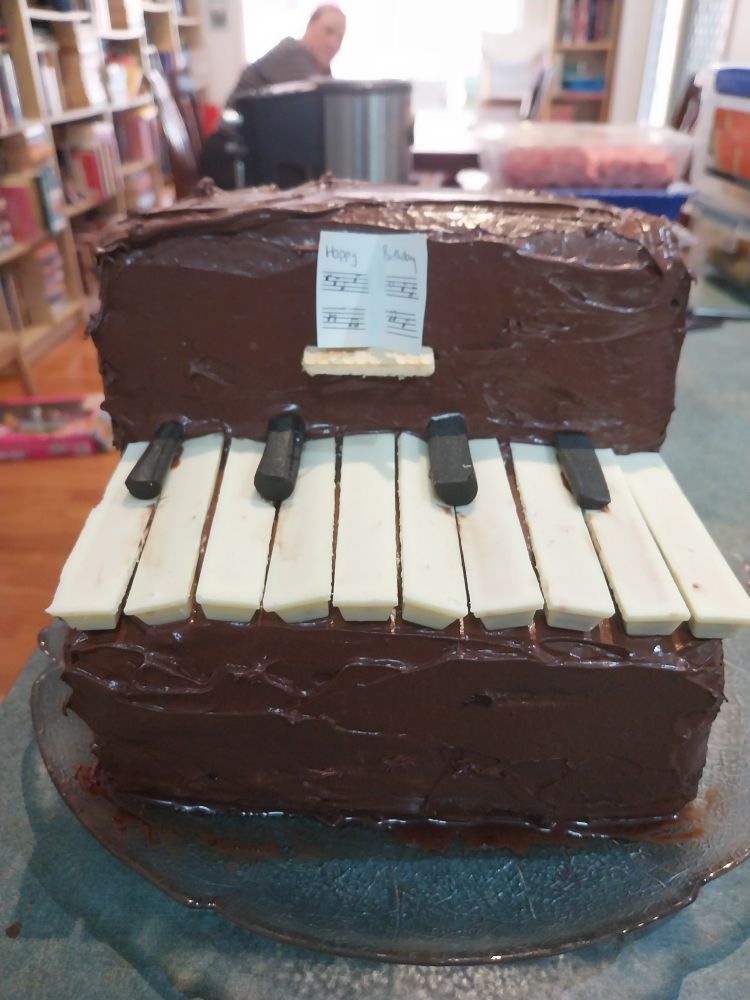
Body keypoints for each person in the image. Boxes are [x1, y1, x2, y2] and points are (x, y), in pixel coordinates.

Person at [226, 5, 347, 106]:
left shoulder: (321, 68)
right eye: (328, 31)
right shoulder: (292, 53)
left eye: (340, 38)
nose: (333, 43)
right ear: (310, 26)